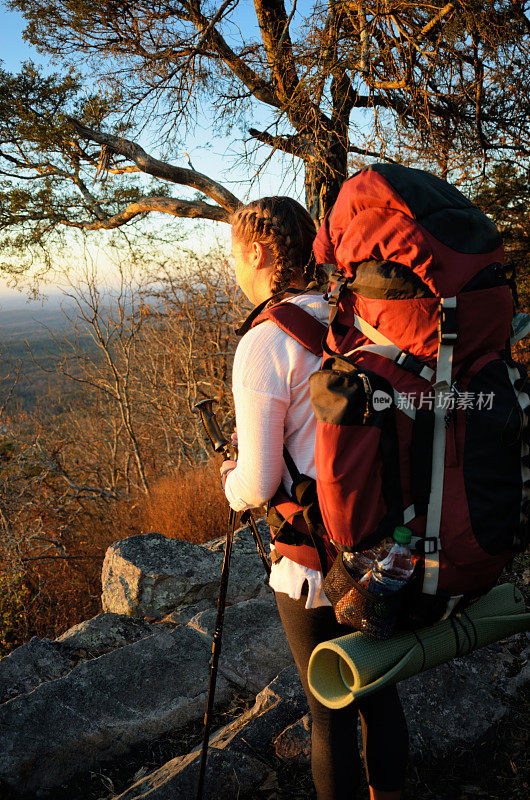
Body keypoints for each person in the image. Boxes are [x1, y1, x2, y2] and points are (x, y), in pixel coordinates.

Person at [221, 196, 408, 800]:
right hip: (379, 546)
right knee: (379, 690)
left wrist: (229, 485)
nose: (232, 263)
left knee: (328, 709)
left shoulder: (264, 345)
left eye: (234, 251)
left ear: (258, 251)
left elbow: (254, 482)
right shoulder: (349, 317)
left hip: (311, 564)